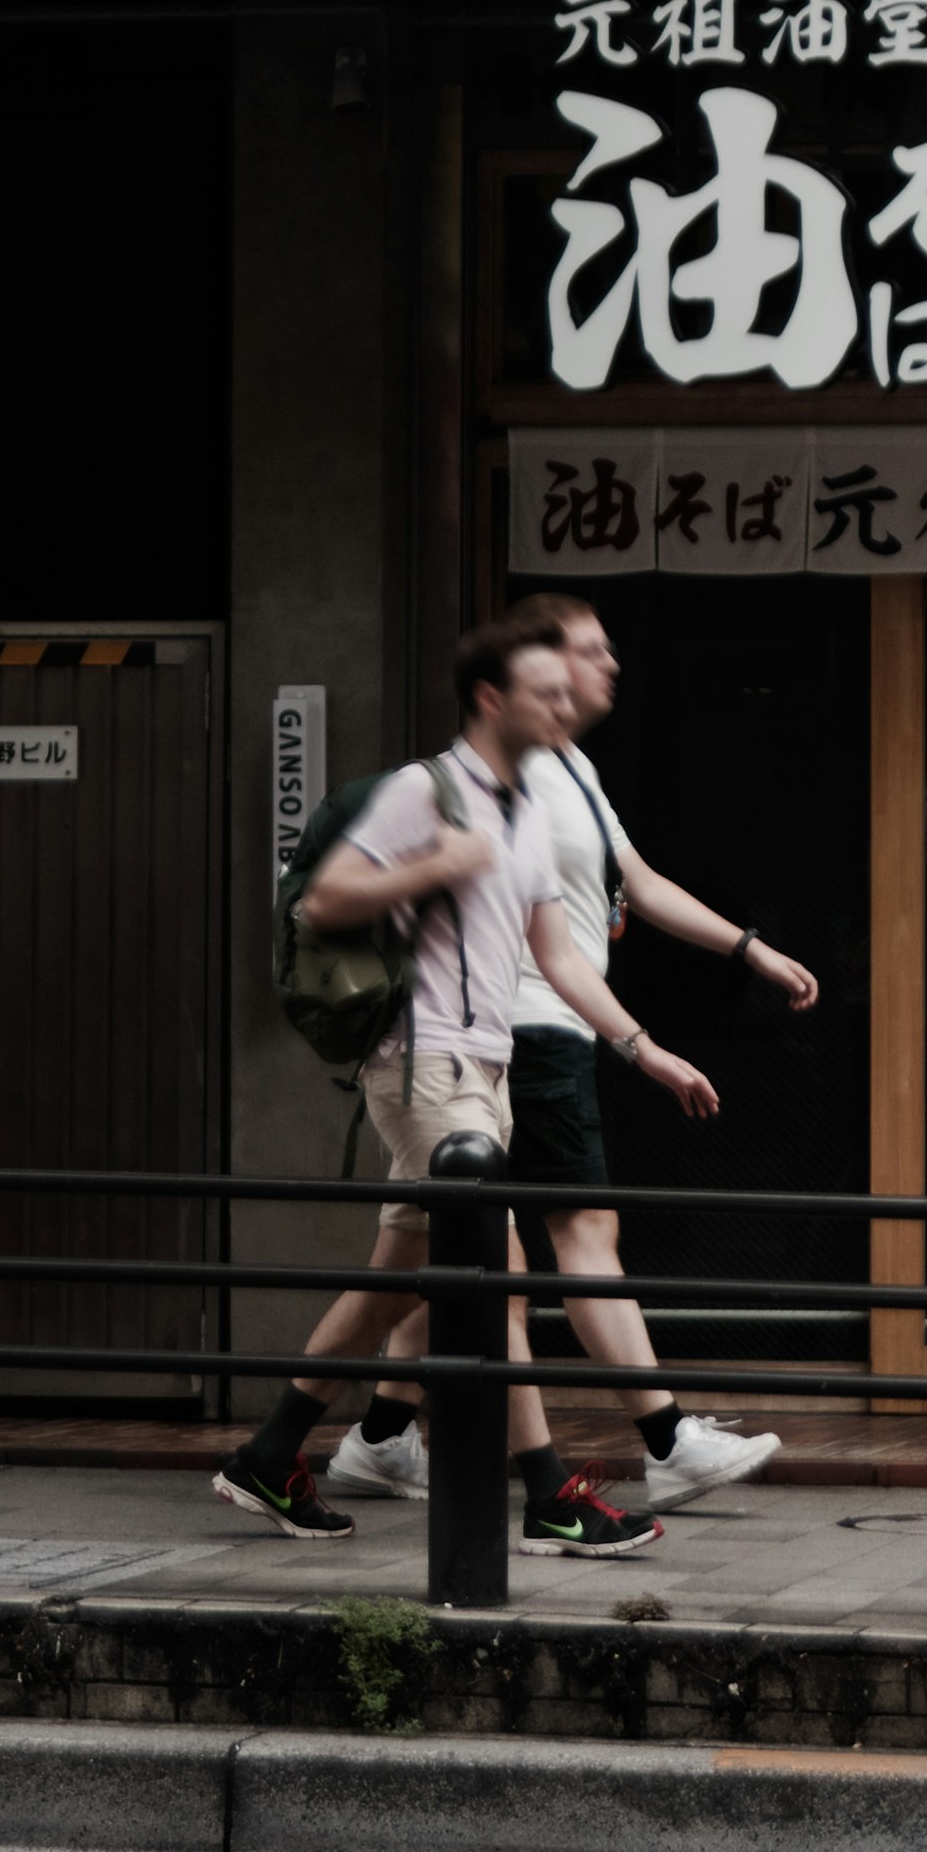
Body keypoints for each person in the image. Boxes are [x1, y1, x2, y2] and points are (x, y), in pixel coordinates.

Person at [209, 616, 715, 1554]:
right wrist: (439, 862)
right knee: (501, 1277)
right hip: (423, 1063)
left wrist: (643, 1050)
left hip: (490, 1070)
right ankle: (550, 1496)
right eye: (547, 693)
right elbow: (323, 898)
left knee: (392, 1290)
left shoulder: (526, 806)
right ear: (492, 699)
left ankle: (271, 1454)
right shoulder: (424, 790)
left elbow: (557, 957)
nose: (567, 705)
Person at [451, 589, 809, 1512]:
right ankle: (665, 1438)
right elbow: (549, 947)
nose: (611, 664)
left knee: (456, 1251)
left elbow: (635, 882)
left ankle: (366, 1437)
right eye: (589, 649)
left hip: (547, 1026)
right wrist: (640, 1045)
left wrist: (748, 947)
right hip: (526, 1027)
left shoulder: (569, 763)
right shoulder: (513, 770)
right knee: (571, 1238)